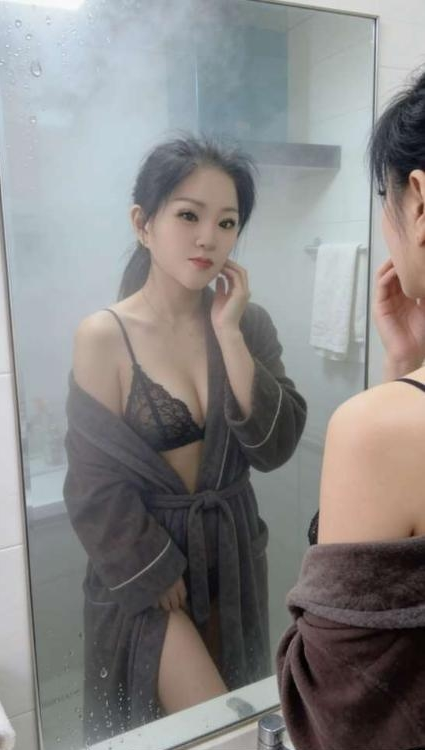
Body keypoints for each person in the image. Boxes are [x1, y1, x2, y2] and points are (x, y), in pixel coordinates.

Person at [63, 135, 307, 742]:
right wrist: (151, 569)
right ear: (143, 224)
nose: (208, 239)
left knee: (233, 710)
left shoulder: (247, 322)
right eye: (188, 215)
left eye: (226, 223)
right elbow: (92, 486)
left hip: (231, 551)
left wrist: (230, 335)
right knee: (214, 728)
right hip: (148, 566)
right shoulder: (104, 335)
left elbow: (276, 447)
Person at [277, 69, 425, 750]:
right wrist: (406, 368)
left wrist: (397, 391)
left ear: (418, 203)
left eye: (383, 199)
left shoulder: (378, 430)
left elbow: (331, 715)